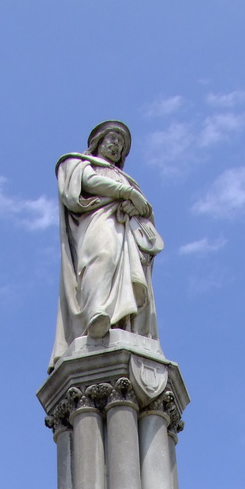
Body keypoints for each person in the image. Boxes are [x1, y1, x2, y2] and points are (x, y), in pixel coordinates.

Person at [52, 120, 163, 370]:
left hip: (124, 229)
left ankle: (124, 323)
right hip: (97, 222)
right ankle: (96, 314)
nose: (116, 146)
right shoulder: (79, 164)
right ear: (98, 141)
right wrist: (125, 193)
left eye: (121, 145)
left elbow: (146, 212)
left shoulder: (127, 179)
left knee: (124, 269)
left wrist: (134, 204)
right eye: (112, 139)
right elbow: (87, 184)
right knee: (102, 257)